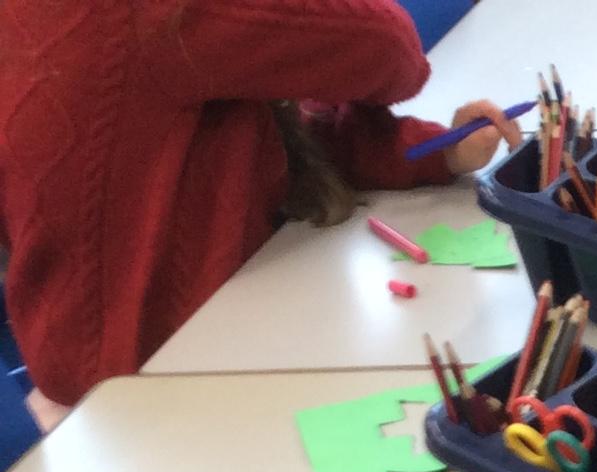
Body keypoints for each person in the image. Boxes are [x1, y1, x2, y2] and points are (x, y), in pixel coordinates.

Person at [0, 0, 520, 424]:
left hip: (141, 367)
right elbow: (392, 49)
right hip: (162, 392)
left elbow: (266, 141)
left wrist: (434, 152)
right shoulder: (154, 16)